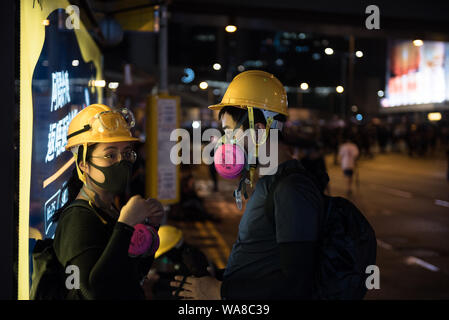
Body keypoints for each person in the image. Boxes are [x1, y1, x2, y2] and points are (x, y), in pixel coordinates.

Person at [170, 70, 324, 299]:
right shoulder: (272, 182)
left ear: (260, 131)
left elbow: (295, 285)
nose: (225, 141)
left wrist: (220, 291)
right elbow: (263, 266)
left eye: (231, 131)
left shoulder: (291, 190)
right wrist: (217, 277)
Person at [52, 104, 164, 299]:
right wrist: (126, 225)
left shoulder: (108, 209)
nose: (121, 162)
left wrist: (150, 229)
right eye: (110, 155)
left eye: (127, 153)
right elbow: (94, 292)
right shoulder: (77, 220)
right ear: (84, 164)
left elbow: (133, 275)